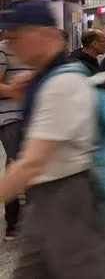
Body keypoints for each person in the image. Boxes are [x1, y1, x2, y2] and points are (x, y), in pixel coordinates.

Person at [0, 1, 105, 277]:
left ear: (43, 34)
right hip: (45, 199)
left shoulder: (61, 84)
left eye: (17, 37)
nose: (11, 46)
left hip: (67, 200)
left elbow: (31, 163)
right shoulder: (47, 78)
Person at [0, 28, 32, 242]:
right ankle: (13, 224)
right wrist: (18, 90)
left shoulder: (27, 51)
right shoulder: (2, 50)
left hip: (26, 116)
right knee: (16, 167)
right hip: (10, 118)